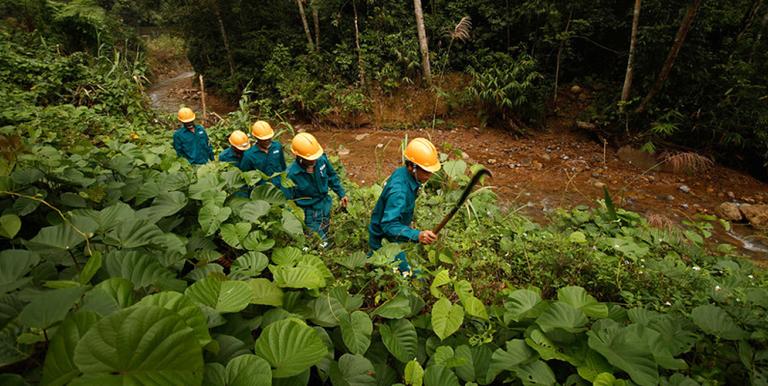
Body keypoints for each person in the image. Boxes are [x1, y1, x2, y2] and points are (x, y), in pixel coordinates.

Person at [368, 138, 441, 273]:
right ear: (411, 166)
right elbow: (388, 225)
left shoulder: (403, 173)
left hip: (391, 231)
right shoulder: (399, 192)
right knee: (409, 274)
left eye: (430, 171)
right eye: (425, 171)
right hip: (384, 237)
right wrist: (417, 235)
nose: (429, 175)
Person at [286, 132, 348, 243]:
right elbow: (287, 201)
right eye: (310, 159)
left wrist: (341, 193)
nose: (313, 161)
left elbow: (332, 176)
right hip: (309, 212)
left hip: (325, 205)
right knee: (320, 242)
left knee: (325, 231)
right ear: (298, 156)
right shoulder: (291, 174)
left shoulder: (321, 160)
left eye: (315, 157)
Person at [240, 120, 287, 186]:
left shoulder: (277, 147)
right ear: (256, 137)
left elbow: (283, 166)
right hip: (263, 190)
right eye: (263, 139)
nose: (267, 140)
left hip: (279, 185)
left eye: (269, 138)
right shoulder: (249, 155)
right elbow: (245, 176)